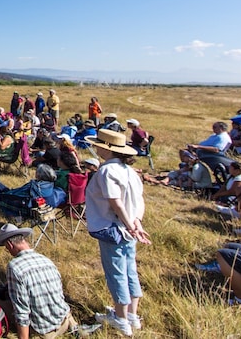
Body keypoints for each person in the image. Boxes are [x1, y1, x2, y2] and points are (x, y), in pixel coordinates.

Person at [85, 129, 149, 337]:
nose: (96, 148)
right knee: (130, 270)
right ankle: (132, 314)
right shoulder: (130, 172)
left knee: (116, 273)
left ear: (107, 149)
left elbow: (116, 202)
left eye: (98, 145)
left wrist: (129, 225)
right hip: (128, 229)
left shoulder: (107, 171)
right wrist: (136, 223)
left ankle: (121, 319)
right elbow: (138, 201)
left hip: (113, 227)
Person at [0, 224, 77, 338]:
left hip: (43, 330)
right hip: (64, 321)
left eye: (6, 247)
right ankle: (74, 327)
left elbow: (21, 311)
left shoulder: (15, 267)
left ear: (10, 244)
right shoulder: (46, 260)